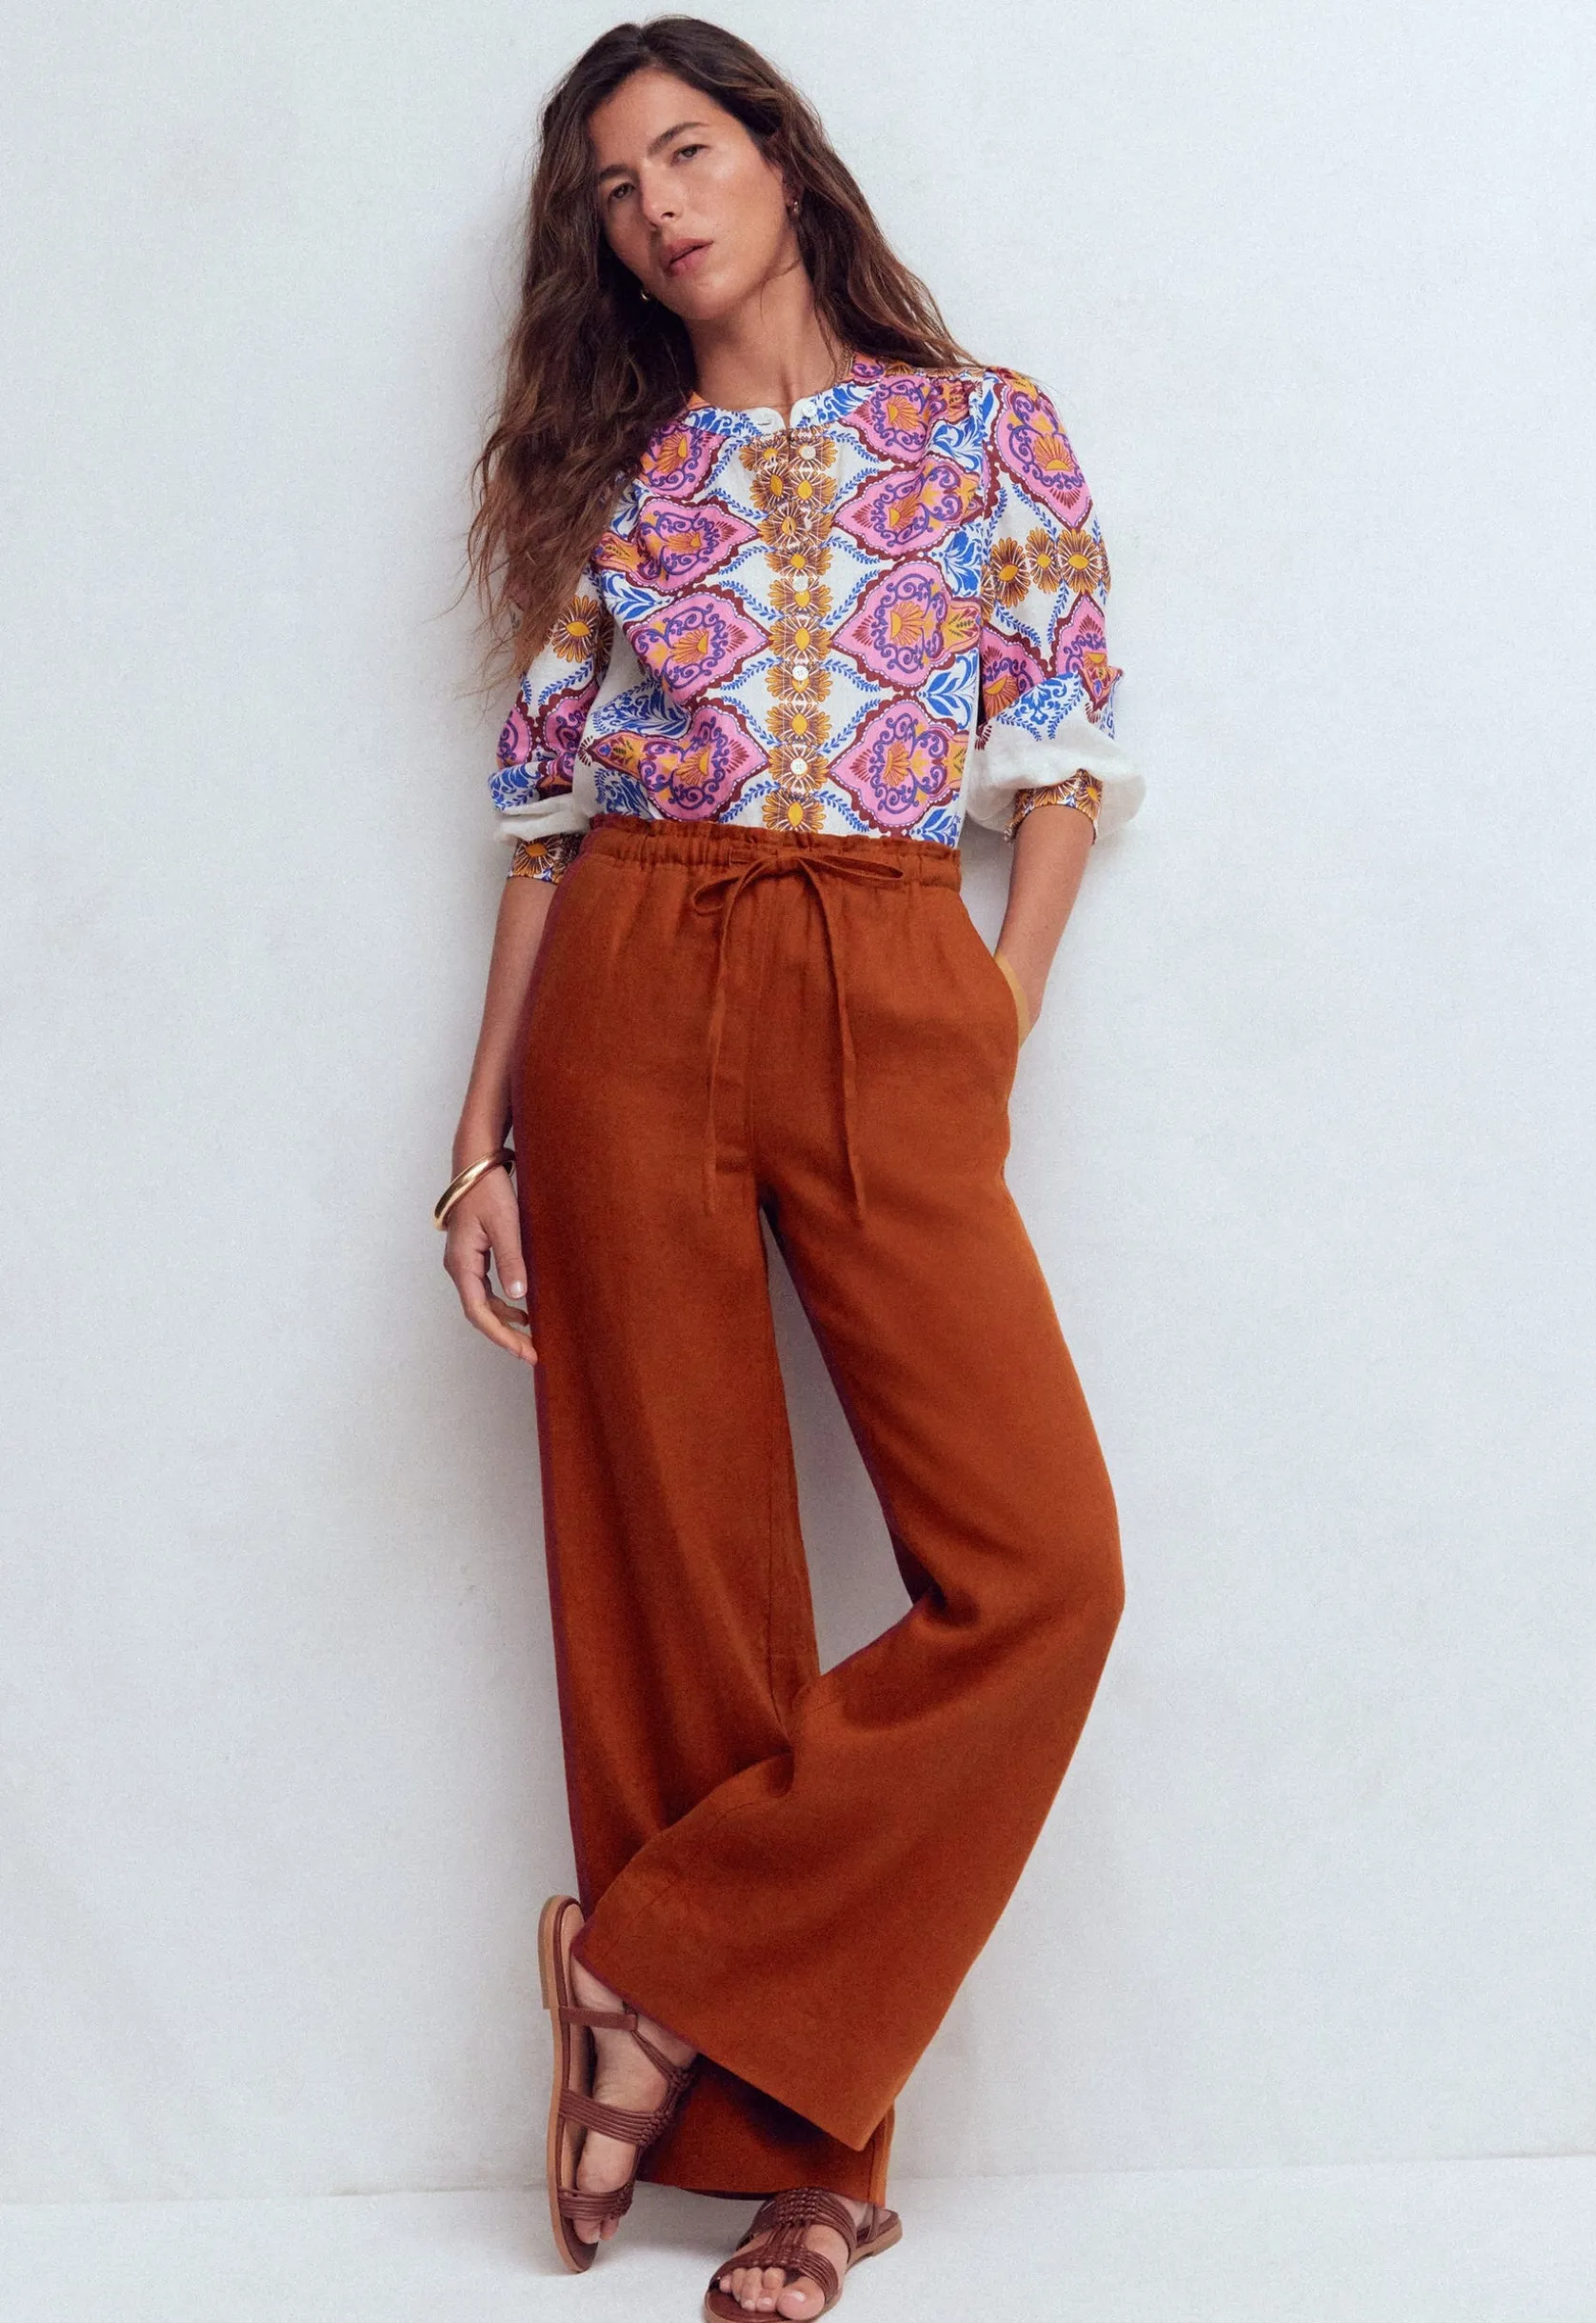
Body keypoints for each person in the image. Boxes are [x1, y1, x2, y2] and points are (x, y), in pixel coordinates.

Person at [439, 17, 1142, 2317]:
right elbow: (544, 828)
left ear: (779, 158)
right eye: (613, 187)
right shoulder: (618, 474)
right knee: (683, 1576)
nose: (656, 205)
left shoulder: (982, 426)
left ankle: (645, 1966)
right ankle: (804, 2177)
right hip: (636, 963)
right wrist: (477, 1143)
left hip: (885, 961)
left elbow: (1061, 755)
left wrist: (990, 1012)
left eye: (686, 149)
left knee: (1038, 1572)